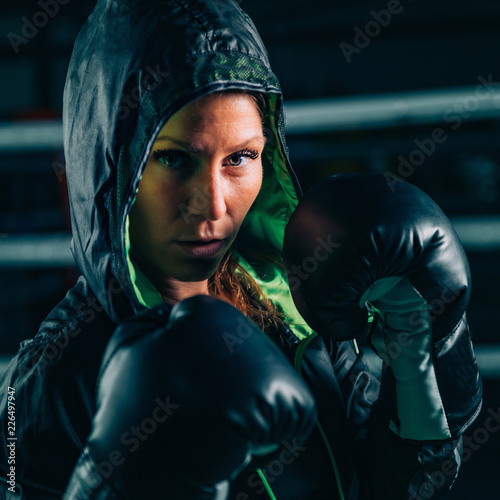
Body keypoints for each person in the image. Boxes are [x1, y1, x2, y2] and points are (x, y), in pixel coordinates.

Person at [0, 0, 482, 499]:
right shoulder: (43, 379)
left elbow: (399, 487)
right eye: (172, 159)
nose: (212, 206)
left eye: (240, 158)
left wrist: (423, 354)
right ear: (109, 168)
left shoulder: (292, 302)